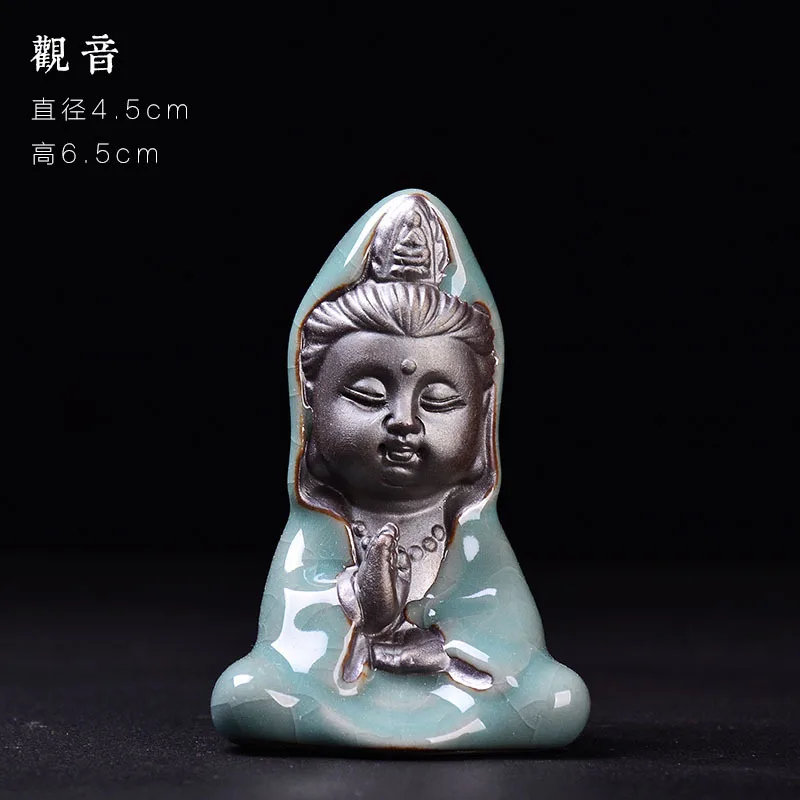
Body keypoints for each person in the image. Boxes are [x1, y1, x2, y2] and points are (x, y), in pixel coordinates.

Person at [298, 278, 497, 688]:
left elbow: (505, 641)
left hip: (444, 689)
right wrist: (362, 606)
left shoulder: (476, 541)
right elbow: (296, 635)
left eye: (437, 400)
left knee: (556, 697)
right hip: (338, 694)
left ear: (484, 416)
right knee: (251, 693)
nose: (404, 421)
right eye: (368, 395)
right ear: (310, 403)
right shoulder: (309, 538)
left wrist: (438, 650)